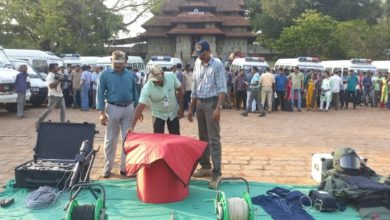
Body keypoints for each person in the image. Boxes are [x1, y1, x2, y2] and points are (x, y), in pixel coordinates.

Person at [187, 40, 227, 189]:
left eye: (202, 54)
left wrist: (219, 107)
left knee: (214, 138)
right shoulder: (197, 63)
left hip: (211, 103)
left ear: (209, 51)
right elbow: (195, 87)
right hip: (199, 104)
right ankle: (205, 166)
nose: (200, 57)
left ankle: (217, 173)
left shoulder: (217, 65)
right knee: (203, 137)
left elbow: (222, 88)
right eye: (198, 55)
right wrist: (191, 108)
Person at [96, 50, 139, 178]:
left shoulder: (131, 75)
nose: (118, 65)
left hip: (128, 109)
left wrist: (136, 109)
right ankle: (107, 168)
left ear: (125, 62)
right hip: (113, 108)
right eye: (116, 63)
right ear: (111, 61)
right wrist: (101, 113)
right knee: (110, 140)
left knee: (127, 139)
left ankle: (125, 168)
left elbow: (134, 92)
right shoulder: (104, 75)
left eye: (121, 63)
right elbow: (99, 94)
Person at [130, 65, 184, 134]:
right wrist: (132, 126)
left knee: (175, 136)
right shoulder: (147, 87)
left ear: (163, 74)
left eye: (158, 80)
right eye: (154, 81)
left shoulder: (171, 76)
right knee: (158, 138)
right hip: (158, 114)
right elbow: (140, 106)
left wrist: (181, 108)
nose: (156, 82)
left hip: (173, 112)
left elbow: (180, 90)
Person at [35, 63, 66, 129]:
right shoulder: (50, 76)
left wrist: (62, 81)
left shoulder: (57, 75)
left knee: (63, 109)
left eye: (57, 67)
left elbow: (61, 86)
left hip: (60, 94)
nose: (57, 69)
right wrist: (58, 80)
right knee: (49, 110)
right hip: (53, 95)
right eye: (56, 67)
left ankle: (62, 123)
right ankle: (38, 122)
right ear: (51, 69)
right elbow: (51, 86)